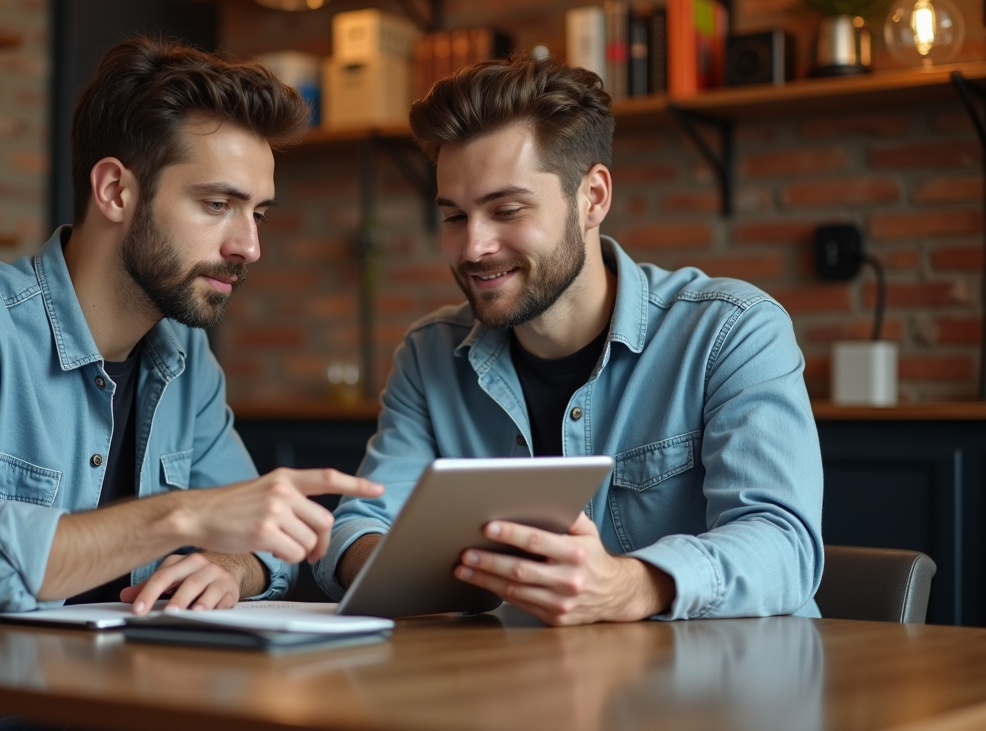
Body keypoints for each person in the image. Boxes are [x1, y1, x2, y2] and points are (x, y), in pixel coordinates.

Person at [0, 36, 383, 731]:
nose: (249, 246)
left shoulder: (186, 360)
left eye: (259, 213)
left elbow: (261, 543)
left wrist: (228, 567)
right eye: (218, 204)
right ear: (115, 191)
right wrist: (181, 517)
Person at [315, 54, 823, 626]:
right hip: (521, 674)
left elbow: (784, 545)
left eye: (507, 210)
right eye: (454, 217)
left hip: (730, 675)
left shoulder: (732, 331)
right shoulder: (428, 354)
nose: (474, 247)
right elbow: (359, 525)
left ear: (593, 197)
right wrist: (397, 568)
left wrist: (631, 586)